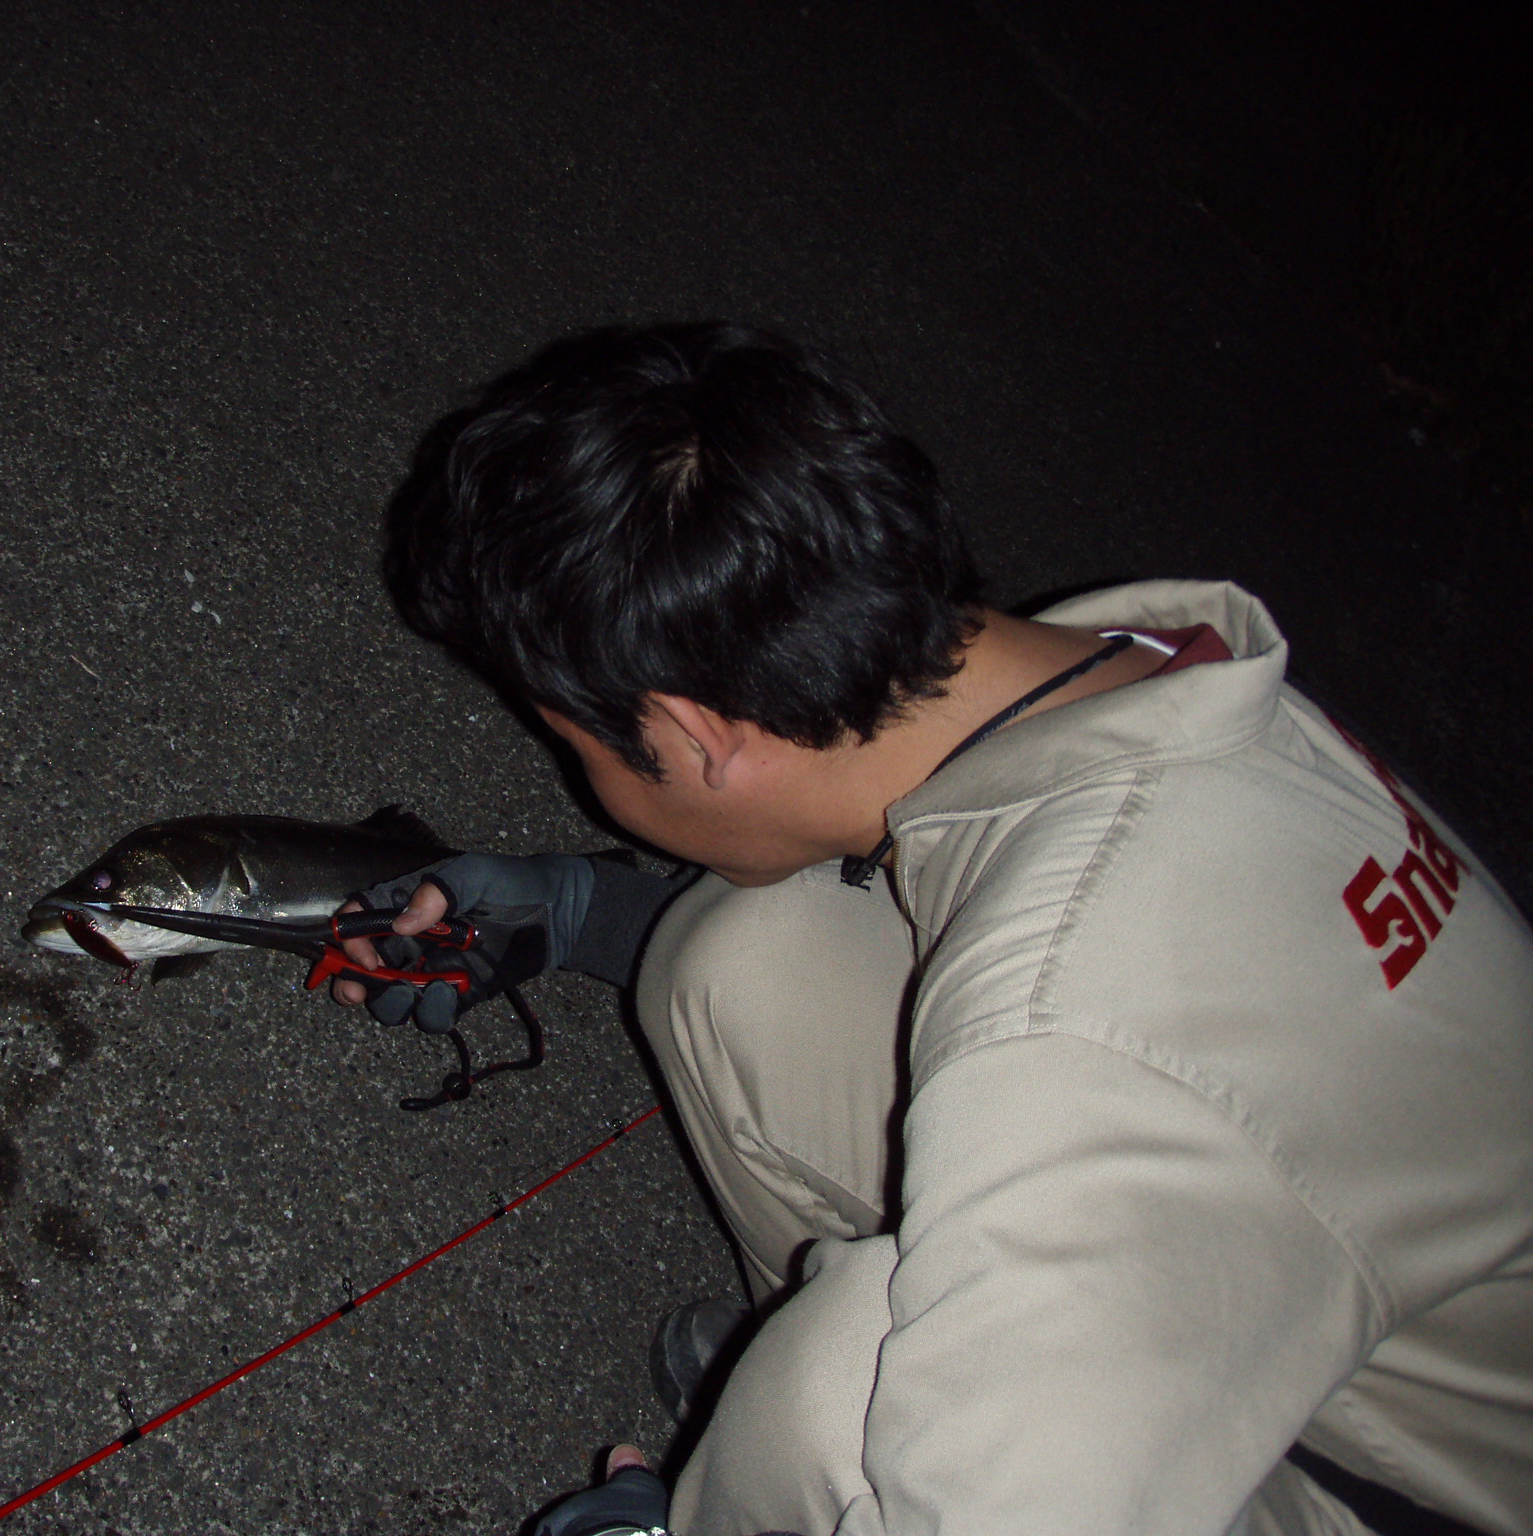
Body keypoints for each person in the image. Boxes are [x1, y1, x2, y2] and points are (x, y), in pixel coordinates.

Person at [333, 323, 1533, 1536]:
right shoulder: (1147, 682)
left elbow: (1088, 1038)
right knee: (739, 967)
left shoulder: (1073, 1031)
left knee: (838, 1411)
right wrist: (584, 913)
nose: (577, 772)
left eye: (572, 745)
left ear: (694, 736)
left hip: (1399, 1495)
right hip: (1309, 1321)